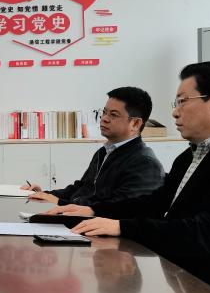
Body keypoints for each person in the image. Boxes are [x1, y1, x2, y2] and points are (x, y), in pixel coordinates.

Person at [45, 62, 210, 293]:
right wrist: (93, 210)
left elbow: (208, 235)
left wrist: (123, 227)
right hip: (183, 278)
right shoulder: (191, 156)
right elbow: (155, 203)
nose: (175, 113)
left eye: (182, 102)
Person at [23, 87, 164, 205]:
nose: (104, 118)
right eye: (104, 112)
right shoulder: (104, 152)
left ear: (135, 123)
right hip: (78, 218)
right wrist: (45, 194)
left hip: (96, 226)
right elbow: (81, 188)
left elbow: (116, 207)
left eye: (113, 115)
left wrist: (60, 203)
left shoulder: (144, 163)